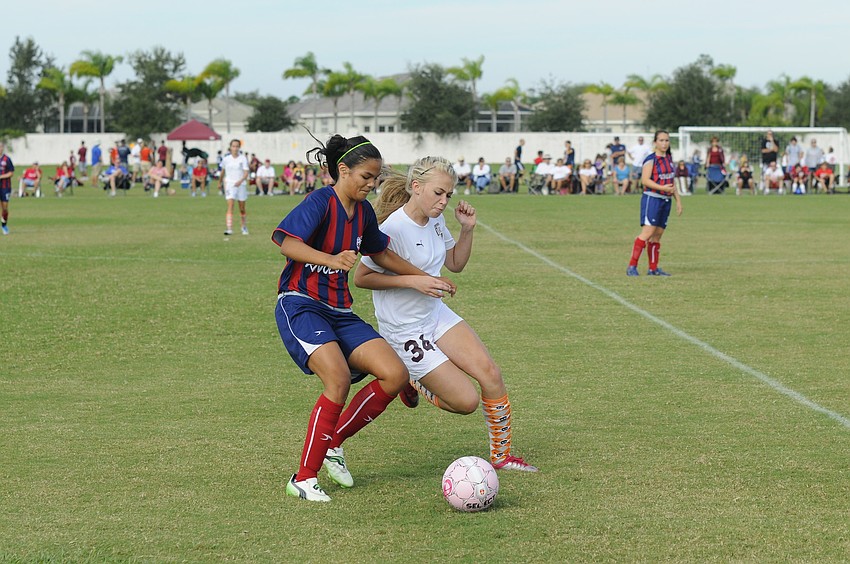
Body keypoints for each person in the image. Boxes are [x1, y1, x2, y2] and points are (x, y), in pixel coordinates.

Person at [272, 134, 455, 502]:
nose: (372, 185)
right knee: (337, 379)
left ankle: (333, 442)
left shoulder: (365, 213)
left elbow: (381, 253)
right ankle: (303, 478)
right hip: (302, 305)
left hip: (340, 310)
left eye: (375, 179)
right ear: (343, 170)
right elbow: (284, 241)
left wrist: (420, 278)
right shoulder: (321, 201)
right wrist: (331, 259)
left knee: (395, 373)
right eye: (366, 177)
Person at [355, 155, 538, 473]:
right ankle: (412, 380)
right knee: (466, 402)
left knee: (490, 374)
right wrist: (416, 281)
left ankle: (502, 456)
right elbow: (362, 278)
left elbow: (455, 263)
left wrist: (467, 230)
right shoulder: (392, 229)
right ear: (416, 187)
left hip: (435, 314)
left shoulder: (436, 219)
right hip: (405, 329)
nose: (444, 201)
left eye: (448, 195)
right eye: (438, 193)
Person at [626, 130, 682, 277]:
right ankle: (632, 266)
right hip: (652, 199)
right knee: (648, 232)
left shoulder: (669, 158)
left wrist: (678, 201)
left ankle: (653, 268)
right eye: (661, 140)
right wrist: (662, 188)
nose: (664, 143)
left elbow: (671, 181)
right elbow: (645, 180)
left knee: (658, 235)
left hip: (666, 200)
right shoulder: (651, 159)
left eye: (667, 140)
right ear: (655, 142)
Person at [219, 139, 250, 236]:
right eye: (233, 146)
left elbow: (246, 173)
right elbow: (223, 171)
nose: (235, 148)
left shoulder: (243, 159)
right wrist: (219, 182)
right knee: (230, 205)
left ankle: (243, 226)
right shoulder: (226, 159)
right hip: (229, 184)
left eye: (237, 146)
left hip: (241, 185)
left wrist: (240, 181)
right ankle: (229, 228)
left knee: (242, 207)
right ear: (230, 147)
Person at [0, 142, 14, 234]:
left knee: (5, 208)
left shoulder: (7, 159)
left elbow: (11, 173)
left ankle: (4, 225)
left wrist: (1, 177)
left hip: (5, 186)